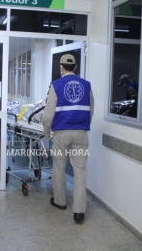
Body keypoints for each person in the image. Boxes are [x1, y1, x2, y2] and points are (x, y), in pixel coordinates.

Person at [42, 54, 94, 224]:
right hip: (80, 133)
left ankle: (60, 202)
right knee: (80, 171)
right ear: (76, 67)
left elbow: (48, 114)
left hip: (61, 134)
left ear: (61, 67)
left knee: (59, 167)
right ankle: (79, 212)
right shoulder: (86, 86)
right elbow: (90, 110)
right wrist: (82, 124)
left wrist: (46, 130)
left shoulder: (56, 85)